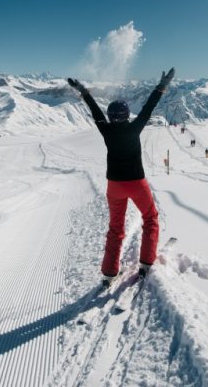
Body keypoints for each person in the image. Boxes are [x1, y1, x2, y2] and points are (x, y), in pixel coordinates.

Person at [68, 68, 175, 286]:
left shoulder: (106, 131)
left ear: (110, 117)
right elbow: (148, 107)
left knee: (116, 228)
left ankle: (109, 273)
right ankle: (146, 262)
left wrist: (84, 92)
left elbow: (94, 111)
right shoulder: (135, 127)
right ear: (127, 115)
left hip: (114, 186)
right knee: (150, 218)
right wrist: (162, 86)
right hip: (137, 183)